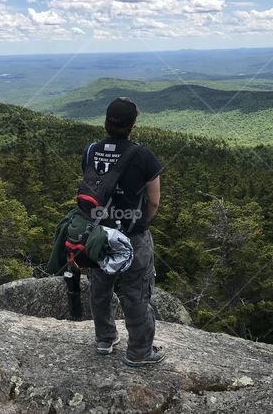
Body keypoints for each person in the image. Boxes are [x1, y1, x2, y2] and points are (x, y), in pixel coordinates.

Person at [84, 97, 163, 366]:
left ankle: (105, 339)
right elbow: (153, 201)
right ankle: (139, 351)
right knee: (136, 292)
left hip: (99, 232)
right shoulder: (144, 157)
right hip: (133, 234)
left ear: (106, 122)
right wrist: (141, 222)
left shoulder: (91, 151)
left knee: (100, 287)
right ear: (133, 126)